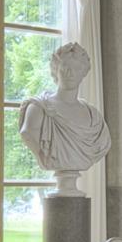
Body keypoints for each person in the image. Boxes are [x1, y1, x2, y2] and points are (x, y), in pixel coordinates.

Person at [17, 42, 111, 195]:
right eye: (65, 67)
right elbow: (27, 133)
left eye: (76, 69)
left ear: (84, 73)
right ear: (56, 70)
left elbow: (104, 146)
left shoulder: (94, 118)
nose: (70, 73)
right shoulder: (39, 108)